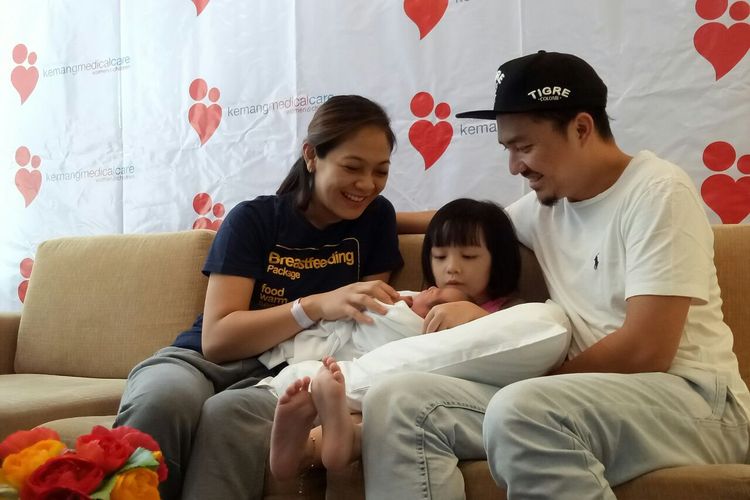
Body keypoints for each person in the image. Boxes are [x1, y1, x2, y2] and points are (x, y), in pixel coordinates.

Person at [362, 51, 750, 500]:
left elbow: (647, 349)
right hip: (582, 399)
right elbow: (464, 224)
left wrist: (535, 378)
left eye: (524, 147)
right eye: (508, 149)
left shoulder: (658, 191)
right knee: (396, 402)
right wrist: (364, 215)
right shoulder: (545, 207)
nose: (515, 166)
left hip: (697, 401)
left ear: (581, 128)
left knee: (522, 409)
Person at [114, 95, 405, 500]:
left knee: (229, 415)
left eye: (381, 171)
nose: (367, 184)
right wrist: (313, 305)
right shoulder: (254, 220)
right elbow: (218, 340)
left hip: (289, 371)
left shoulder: (376, 219)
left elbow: (370, 326)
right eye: (352, 167)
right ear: (311, 156)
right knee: (162, 400)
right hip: (203, 363)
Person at [268, 198, 523, 481]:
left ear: (498, 260)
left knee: (380, 410)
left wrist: (476, 315)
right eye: (440, 257)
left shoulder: (510, 313)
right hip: (381, 378)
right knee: (367, 409)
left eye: (469, 257)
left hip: (435, 393)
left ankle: (317, 445)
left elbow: (515, 345)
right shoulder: (421, 298)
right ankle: (308, 448)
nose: (452, 268)